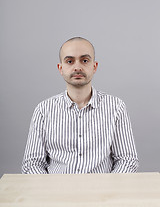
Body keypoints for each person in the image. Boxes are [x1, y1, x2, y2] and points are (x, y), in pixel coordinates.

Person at [22, 37, 139, 174]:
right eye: (70, 61)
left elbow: (127, 160)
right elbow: (32, 163)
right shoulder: (43, 110)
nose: (77, 67)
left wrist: (108, 191)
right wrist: (51, 192)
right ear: (61, 68)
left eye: (84, 60)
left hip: (102, 193)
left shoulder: (116, 107)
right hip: (56, 193)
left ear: (94, 66)